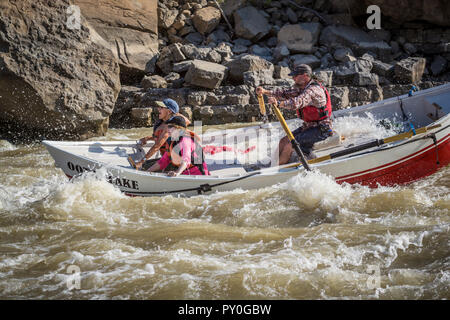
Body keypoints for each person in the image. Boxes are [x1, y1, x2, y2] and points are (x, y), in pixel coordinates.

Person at [256, 64, 333, 165]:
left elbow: (298, 102)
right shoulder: (302, 87)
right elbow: (284, 93)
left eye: (295, 75)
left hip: (322, 129)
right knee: (283, 141)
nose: (293, 78)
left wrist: (279, 104)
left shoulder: (313, 90)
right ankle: (272, 164)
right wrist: (265, 91)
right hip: (309, 127)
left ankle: (276, 169)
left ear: (305, 76)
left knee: (290, 145)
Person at [135, 98, 190, 170]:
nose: (158, 109)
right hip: (168, 158)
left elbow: (157, 146)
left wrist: (141, 162)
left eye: (161, 108)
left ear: (169, 111)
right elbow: (160, 137)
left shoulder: (170, 127)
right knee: (146, 164)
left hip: (176, 163)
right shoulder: (164, 122)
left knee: (143, 166)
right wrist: (148, 138)